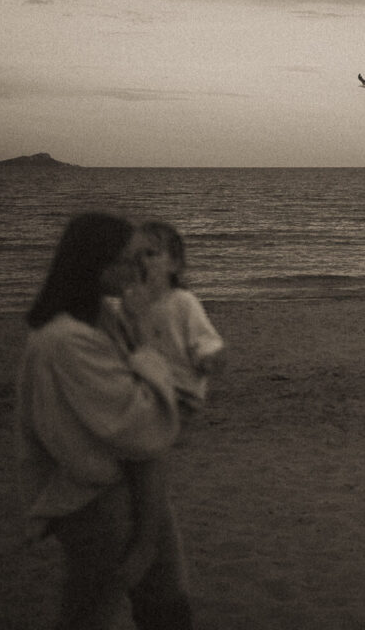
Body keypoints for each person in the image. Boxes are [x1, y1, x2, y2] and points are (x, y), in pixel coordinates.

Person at [15, 212, 194, 630]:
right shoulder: (64, 341)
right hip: (92, 499)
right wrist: (151, 349)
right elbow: (142, 423)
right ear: (96, 266)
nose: (141, 269)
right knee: (94, 611)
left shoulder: (108, 318)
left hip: (129, 488)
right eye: (130, 259)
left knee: (168, 605)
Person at [118, 220, 225, 589]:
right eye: (134, 257)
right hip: (149, 392)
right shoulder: (130, 302)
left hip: (179, 396)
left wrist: (209, 357)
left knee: (144, 462)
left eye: (151, 254)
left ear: (176, 264)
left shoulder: (183, 302)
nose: (142, 263)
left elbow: (207, 341)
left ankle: (143, 545)